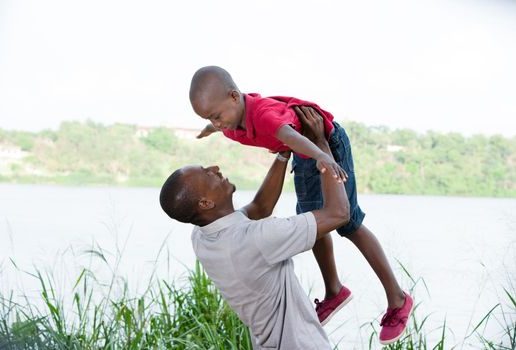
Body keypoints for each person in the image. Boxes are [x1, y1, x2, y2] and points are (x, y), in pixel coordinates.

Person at [189, 66, 414, 345]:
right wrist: (209, 128)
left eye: (217, 116)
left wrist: (323, 155)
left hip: (325, 142)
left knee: (349, 223)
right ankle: (335, 291)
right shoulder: (231, 124)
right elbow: (283, 140)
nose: (218, 123)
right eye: (210, 118)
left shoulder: (262, 114)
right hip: (306, 151)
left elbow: (289, 134)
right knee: (312, 220)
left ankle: (398, 298)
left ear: (234, 97)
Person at [160, 106, 350, 349]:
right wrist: (322, 145)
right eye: (207, 174)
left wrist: (284, 152)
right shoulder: (254, 240)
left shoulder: (203, 236)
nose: (215, 168)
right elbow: (339, 213)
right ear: (206, 203)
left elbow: (260, 207)